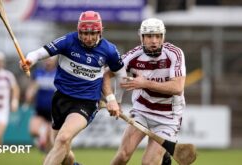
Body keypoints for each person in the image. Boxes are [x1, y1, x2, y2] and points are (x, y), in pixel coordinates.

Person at [20, 10, 126, 165]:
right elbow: (39, 53)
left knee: (63, 139)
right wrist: (29, 60)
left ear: (100, 32)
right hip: (60, 99)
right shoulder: (68, 41)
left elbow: (121, 75)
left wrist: (116, 100)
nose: (88, 38)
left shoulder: (109, 50)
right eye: (84, 33)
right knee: (61, 150)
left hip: (86, 102)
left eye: (93, 33)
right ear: (78, 31)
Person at [107, 18, 186, 165]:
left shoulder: (174, 54)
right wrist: (113, 100)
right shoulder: (133, 56)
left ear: (163, 37)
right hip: (142, 112)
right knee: (123, 155)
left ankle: (163, 158)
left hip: (168, 117)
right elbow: (108, 74)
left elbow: (178, 88)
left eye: (158, 36)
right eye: (149, 36)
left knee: (148, 163)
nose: (154, 41)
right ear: (141, 37)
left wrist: (145, 83)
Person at [24, 56, 58, 152]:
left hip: (54, 111)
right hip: (40, 109)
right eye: (46, 60)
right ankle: (41, 138)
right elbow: (32, 87)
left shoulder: (58, 73)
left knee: (50, 140)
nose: (48, 62)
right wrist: (29, 93)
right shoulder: (38, 73)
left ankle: (47, 157)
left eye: (50, 60)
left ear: (54, 62)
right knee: (33, 130)